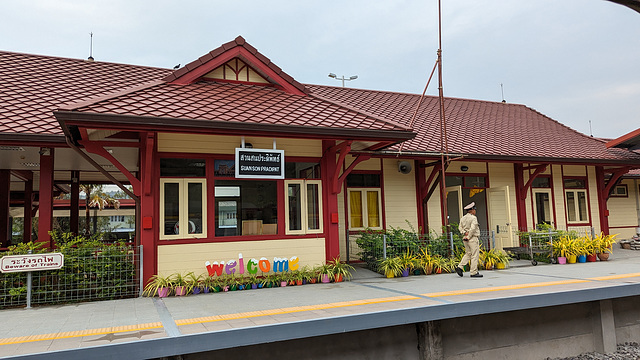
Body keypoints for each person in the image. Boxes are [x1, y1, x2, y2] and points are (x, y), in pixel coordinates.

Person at [456, 202, 483, 278]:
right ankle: (473, 272)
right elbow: (473, 228)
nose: (475, 211)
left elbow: (460, 227)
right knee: (474, 255)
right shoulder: (473, 218)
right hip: (473, 238)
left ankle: (460, 267)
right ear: (472, 210)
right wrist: (469, 236)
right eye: (474, 209)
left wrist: (464, 233)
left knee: (468, 253)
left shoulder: (463, 218)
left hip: (465, 238)